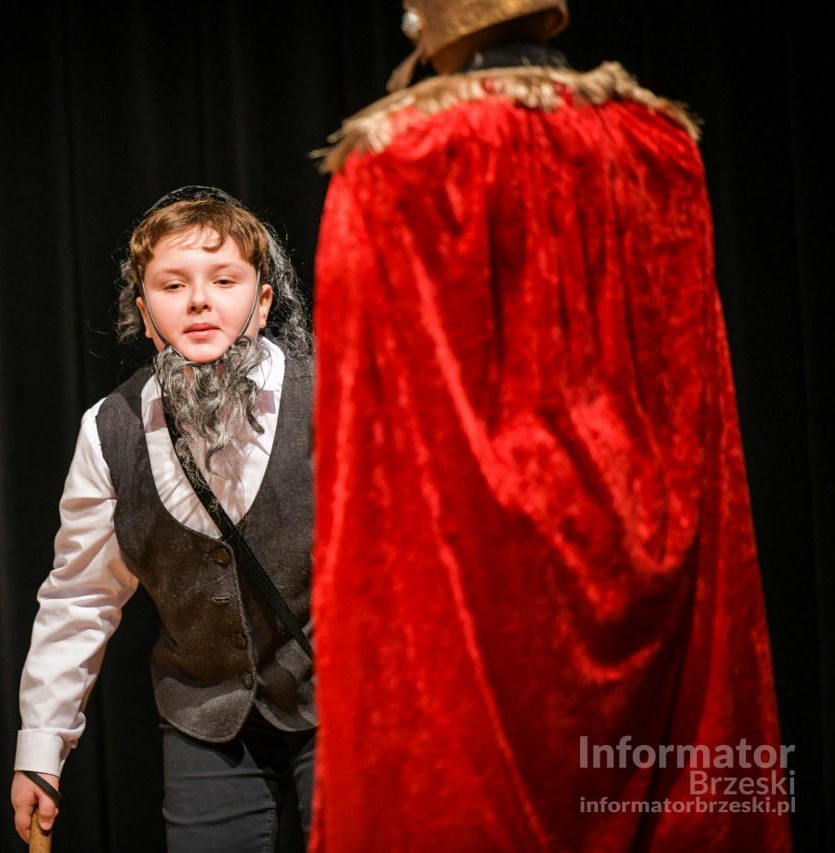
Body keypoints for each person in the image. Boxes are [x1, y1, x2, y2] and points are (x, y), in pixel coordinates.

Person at [310, 2, 791, 851]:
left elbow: (365, 438)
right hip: (658, 554)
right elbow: (696, 389)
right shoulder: (659, 143)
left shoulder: (400, 158)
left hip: (477, 586)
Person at [9, 186, 316, 851]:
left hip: (343, 701)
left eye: (224, 280)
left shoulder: (333, 397)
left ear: (263, 302)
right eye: (173, 285)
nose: (199, 300)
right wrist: (41, 748)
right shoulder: (111, 429)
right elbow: (80, 597)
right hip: (207, 713)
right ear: (146, 315)